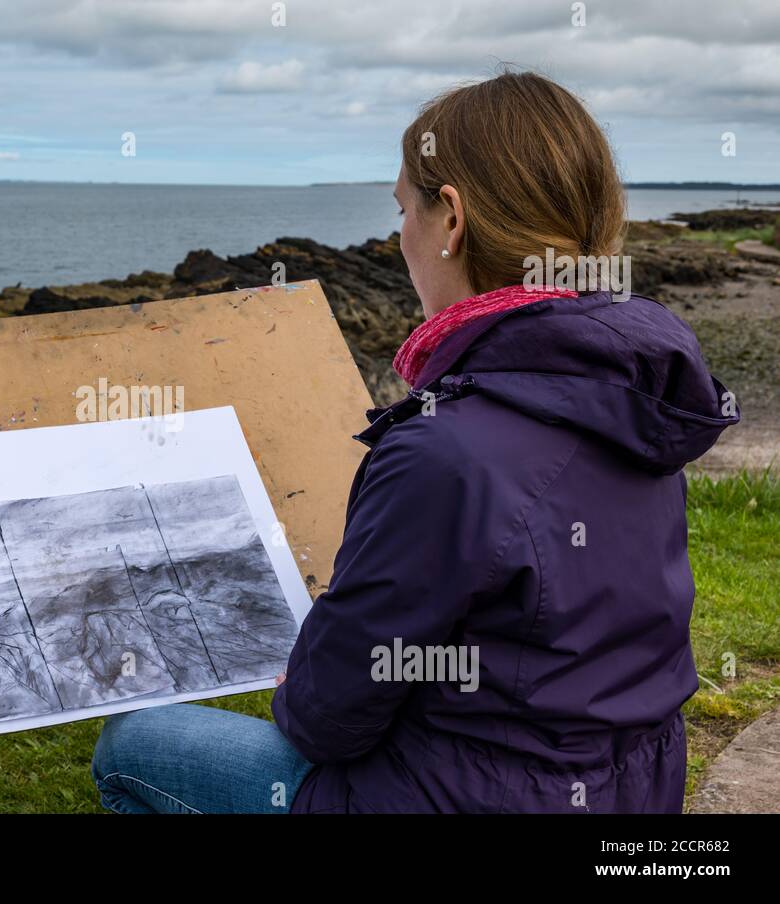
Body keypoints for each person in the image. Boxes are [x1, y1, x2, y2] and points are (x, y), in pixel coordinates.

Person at [89, 70, 739, 814]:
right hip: (629, 790)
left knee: (132, 745)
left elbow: (326, 721)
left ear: (451, 220)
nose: (400, 235)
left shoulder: (446, 451)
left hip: (465, 801)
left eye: (404, 209)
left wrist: (306, 682)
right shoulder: (634, 401)